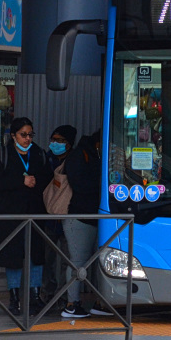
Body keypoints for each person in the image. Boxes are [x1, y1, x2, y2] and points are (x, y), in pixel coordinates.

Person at [0, 117, 52, 315]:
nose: (27, 139)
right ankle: (14, 297)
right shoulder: (2, 154)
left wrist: (34, 181)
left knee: (35, 254)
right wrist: (21, 181)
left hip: (35, 212)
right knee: (13, 257)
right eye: (23, 135)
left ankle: (35, 296)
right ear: (13, 135)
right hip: (10, 214)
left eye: (30, 135)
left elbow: (47, 176)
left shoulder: (38, 153)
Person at [62, 129, 111, 318]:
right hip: (79, 217)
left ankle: (101, 302)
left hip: (96, 217)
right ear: (99, 142)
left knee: (98, 262)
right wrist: (101, 184)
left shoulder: (95, 155)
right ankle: (71, 304)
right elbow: (79, 184)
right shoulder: (79, 155)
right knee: (78, 262)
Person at [41, 124, 77, 306]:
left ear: (69, 144)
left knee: (66, 260)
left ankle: (63, 296)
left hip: (67, 218)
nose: (55, 143)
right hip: (48, 217)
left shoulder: (75, 161)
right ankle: (46, 292)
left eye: (60, 141)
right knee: (46, 258)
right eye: (53, 140)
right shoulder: (45, 159)